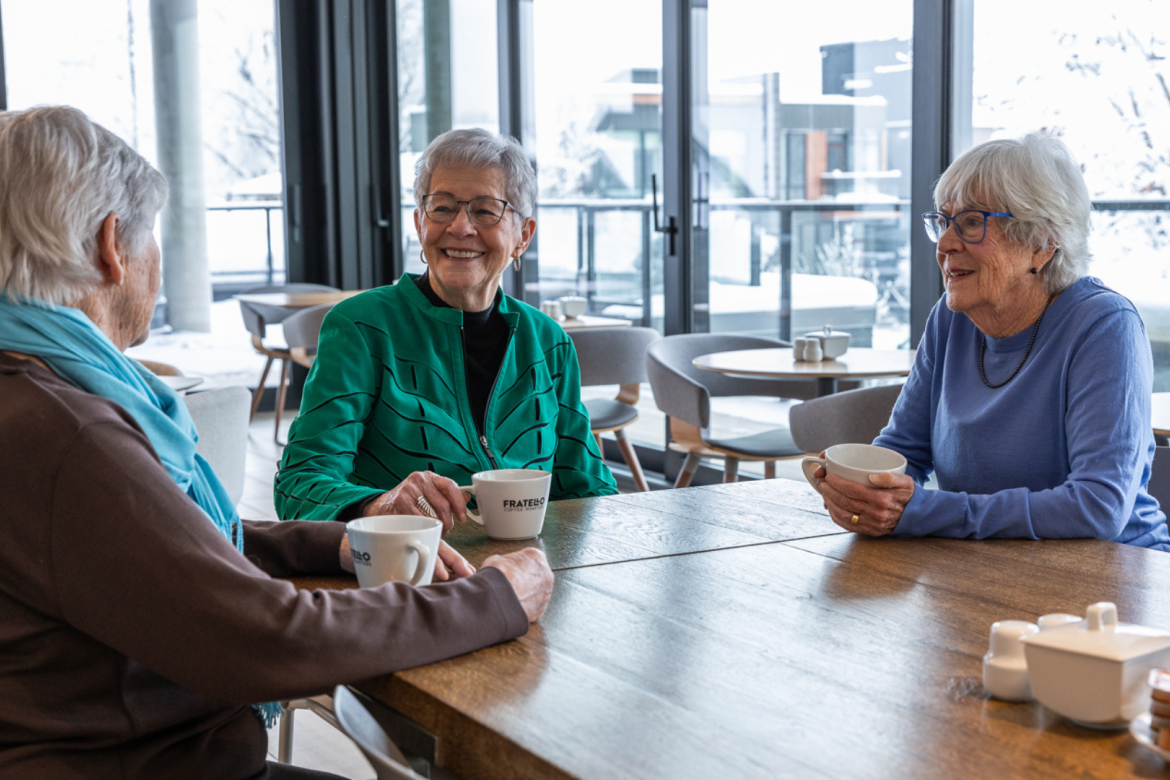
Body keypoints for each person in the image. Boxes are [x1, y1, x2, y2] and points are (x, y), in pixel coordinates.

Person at [0, 106, 554, 779]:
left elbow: (158, 547)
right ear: (112, 245)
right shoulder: (65, 429)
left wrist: (335, 542)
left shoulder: (37, 395)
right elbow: (258, 637)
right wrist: (490, 600)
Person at [815, 133, 1170, 550]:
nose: (946, 243)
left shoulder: (1105, 326)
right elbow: (903, 451)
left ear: (1041, 243)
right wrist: (866, 491)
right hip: (985, 563)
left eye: (971, 223)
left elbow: (1098, 506)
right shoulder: (951, 318)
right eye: (944, 221)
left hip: (1114, 581)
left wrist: (925, 512)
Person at [274, 128, 617, 528]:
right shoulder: (362, 328)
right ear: (420, 223)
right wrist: (380, 506)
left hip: (530, 571)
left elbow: (589, 488)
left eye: (486, 210)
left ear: (523, 236)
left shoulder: (549, 342)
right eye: (442, 208)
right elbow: (298, 486)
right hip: (409, 575)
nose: (460, 227)